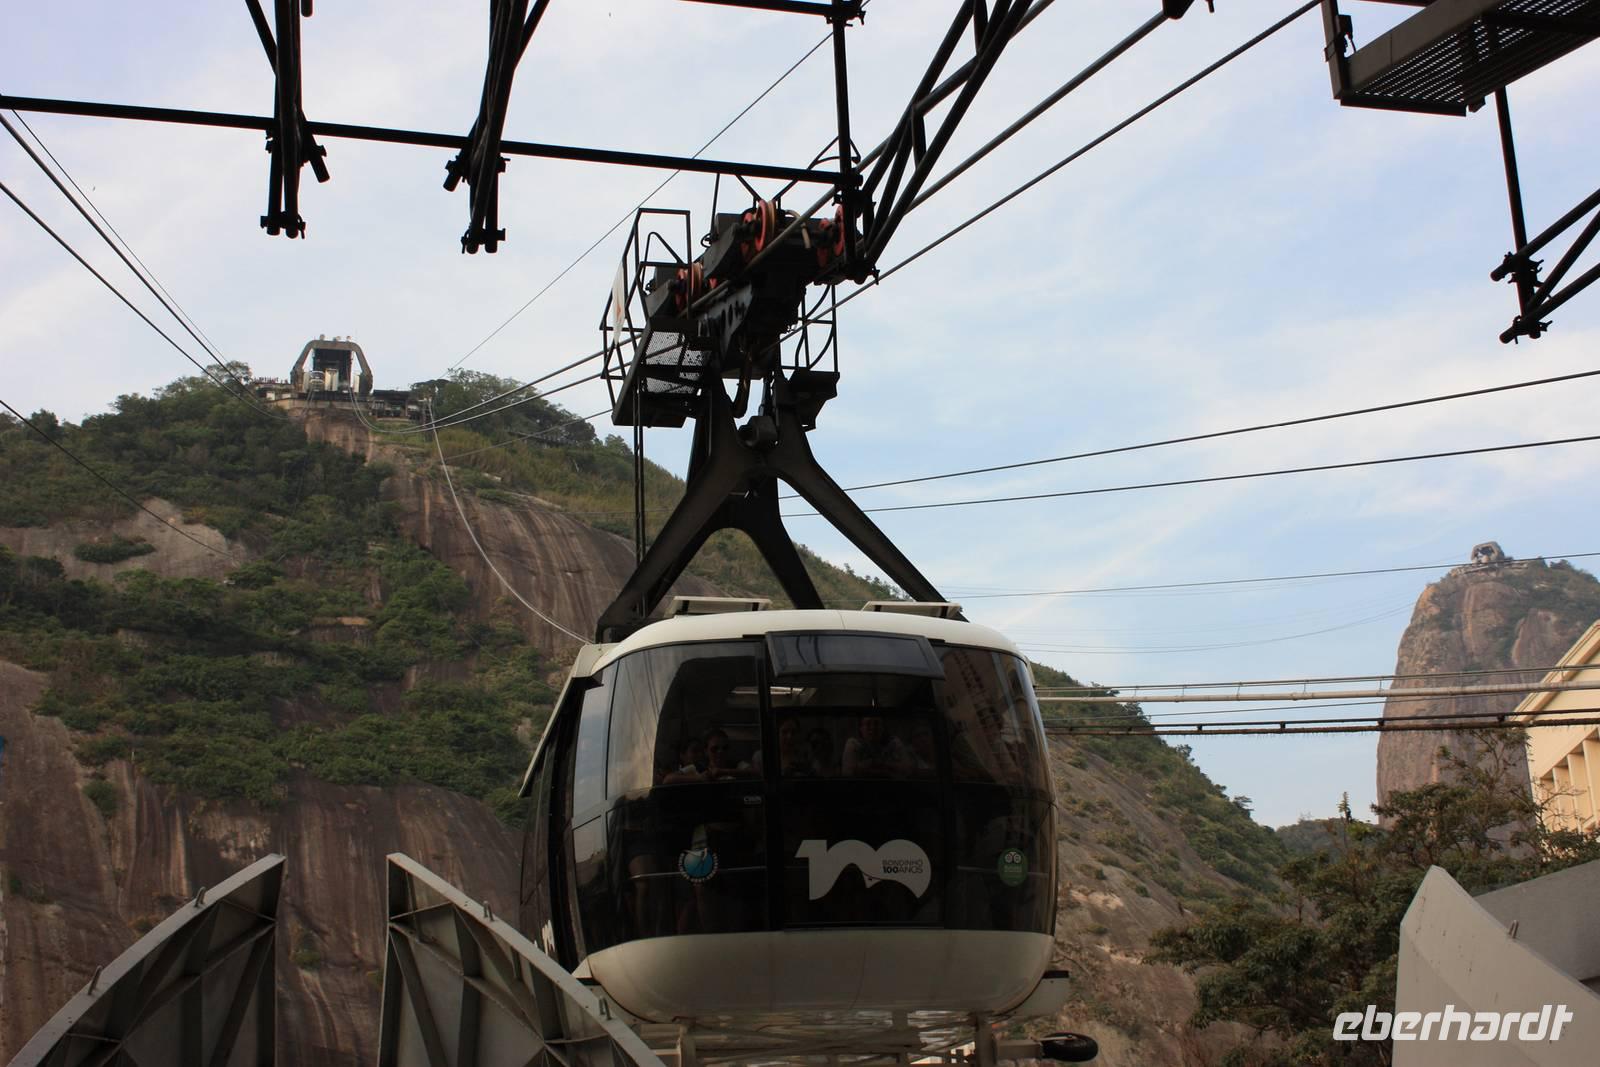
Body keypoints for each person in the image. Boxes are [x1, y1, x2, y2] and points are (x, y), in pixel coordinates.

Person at [842, 715, 913, 777]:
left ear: (883, 727)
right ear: (861, 728)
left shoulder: (894, 742)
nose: (873, 728)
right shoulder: (853, 743)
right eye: (868, 724)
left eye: (876, 723)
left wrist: (872, 766)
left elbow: (908, 769)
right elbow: (847, 772)